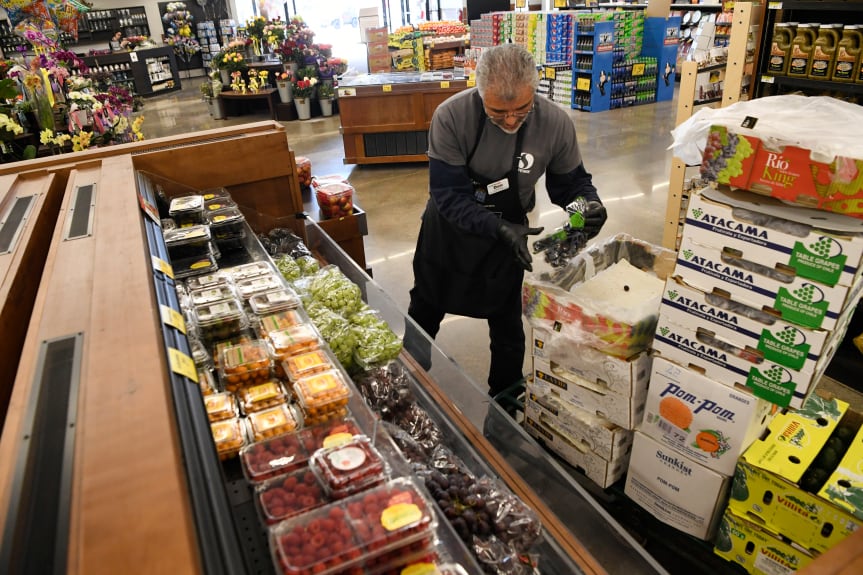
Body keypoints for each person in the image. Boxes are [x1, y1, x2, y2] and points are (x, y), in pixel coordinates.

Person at [407, 43, 607, 397]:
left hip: (511, 233)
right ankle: (403, 385)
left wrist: (586, 208)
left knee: (507, 324)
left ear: (536, 91)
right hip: (449, 234)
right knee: (425, 307)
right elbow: (449, 194)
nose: (511, 121)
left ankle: (505, 403)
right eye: (498, 112)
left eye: (522, 110)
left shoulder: (555, 123)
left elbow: (567, 187)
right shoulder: (451, 117)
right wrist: (496, 227)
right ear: (480, 92)